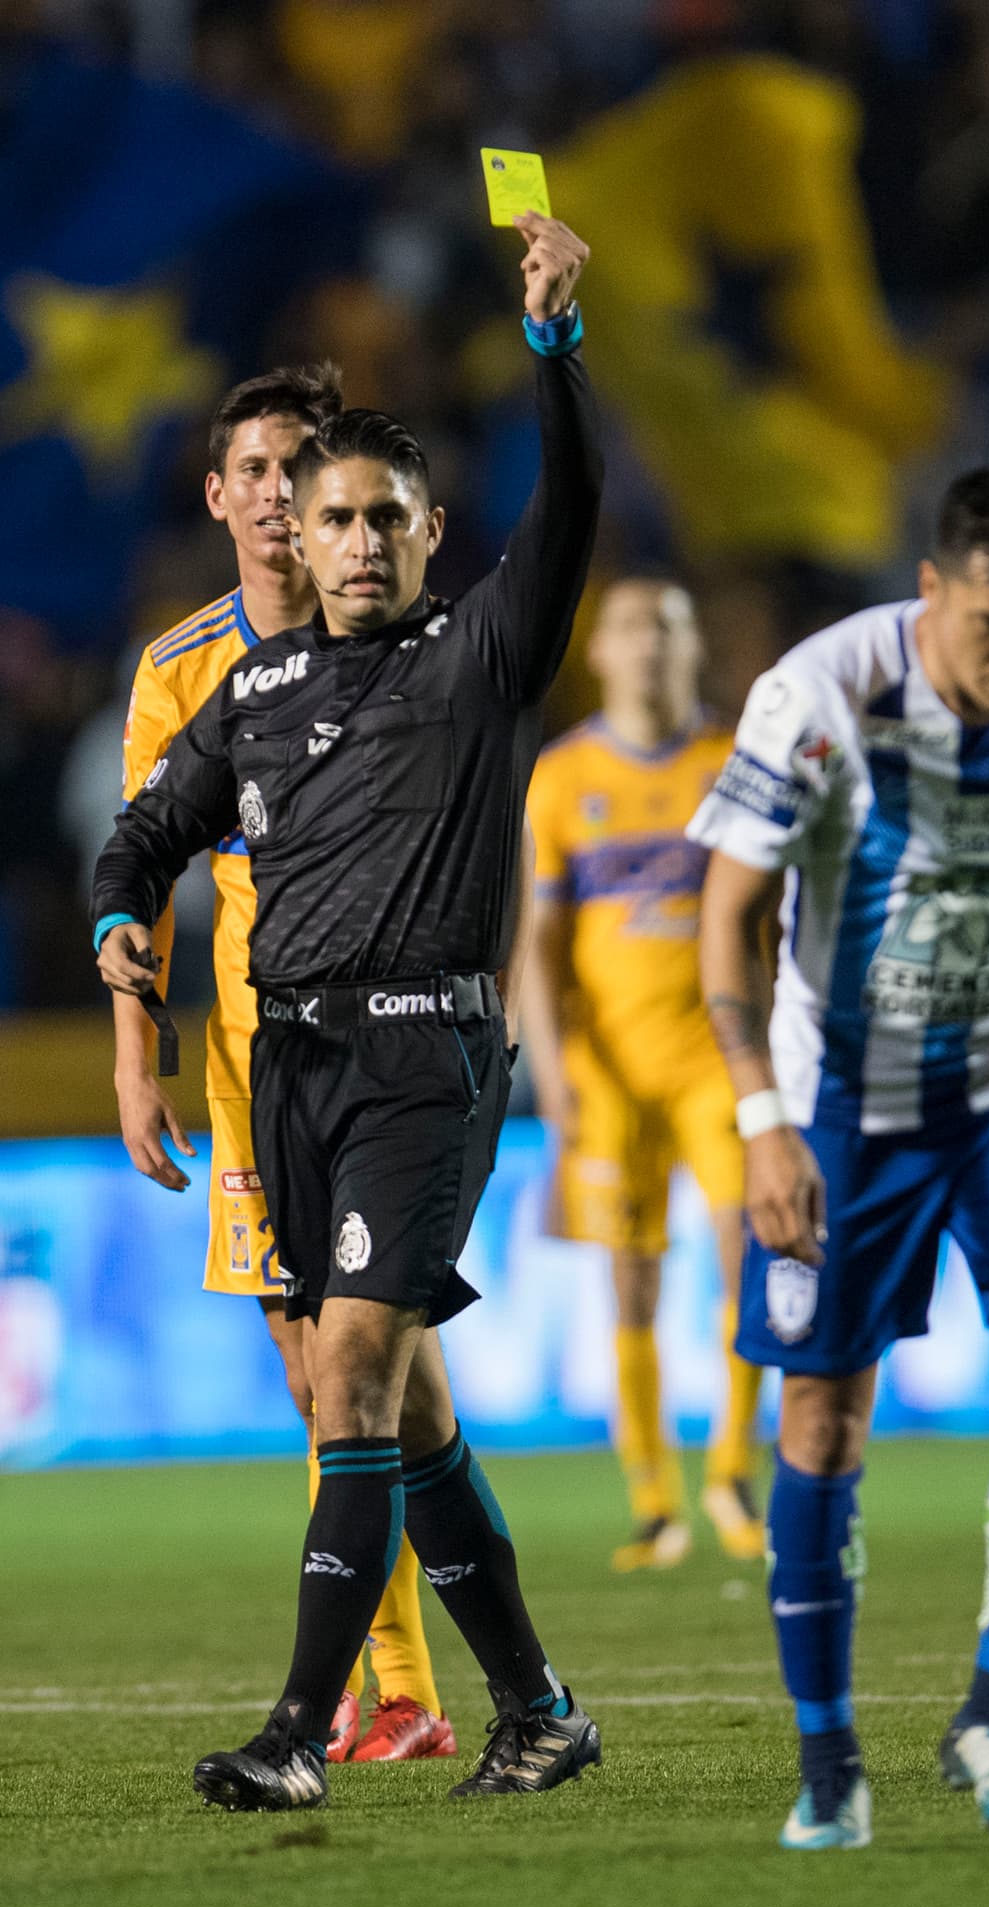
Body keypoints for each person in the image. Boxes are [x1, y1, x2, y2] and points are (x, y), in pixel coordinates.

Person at [92, 212, 603, 1812]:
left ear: (432, 534)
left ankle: (302, 1733)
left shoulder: (480, 658)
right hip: (292, 1066)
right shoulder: (243, 694)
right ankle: (537, 1709)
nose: (365, 544)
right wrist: (118, 913)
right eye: (339, 522)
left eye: (391, 518)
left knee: (360, 1370)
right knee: (394, 1407)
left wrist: (553, 351)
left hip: (423, 1058)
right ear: (295, 543)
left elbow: (574, 511)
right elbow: (147, 829)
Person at [689, 464, 989, 1850]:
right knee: (820, 1424)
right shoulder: (818, 698)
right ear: (929, 597)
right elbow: (727, 916)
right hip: (838, 1099)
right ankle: (829, 1756)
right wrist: (759, 1119)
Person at [115, 362, 486, 1765]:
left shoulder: (415, 646)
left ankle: (399, 1691)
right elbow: (143, 869)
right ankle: (448, 1689)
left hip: (390, 1050)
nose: (279, 500)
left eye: (299, 475)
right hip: (251, 1063)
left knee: (358, 1373)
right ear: (219, 499)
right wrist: (131, 1065)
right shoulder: (181, 672)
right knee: (349, 1380)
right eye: (255, 476)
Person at [522, 576, 764, 1571]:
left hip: (715, 1055)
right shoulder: (559, 776)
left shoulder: (733, 763)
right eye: (630, 628)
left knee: (751, 1249)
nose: (650, 645)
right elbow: (534, 941)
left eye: (667, 627)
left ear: (692, 647)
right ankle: (653, 1498)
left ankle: (732, 1473)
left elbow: (771, 916)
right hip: (608, 1069)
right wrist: (550, 1074)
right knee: (632, 1283)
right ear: (600, 654)